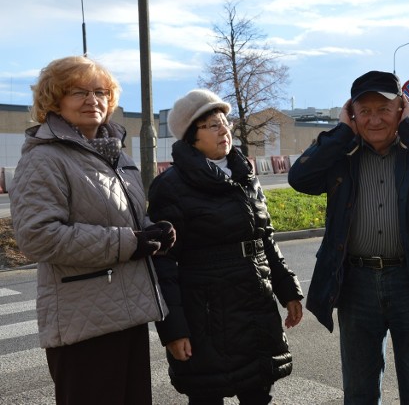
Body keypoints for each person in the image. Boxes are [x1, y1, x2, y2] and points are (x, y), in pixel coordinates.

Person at [288, 70, 409, 404]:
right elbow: (299, 178)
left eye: (384, 109)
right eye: (365, 111)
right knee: (359, 393)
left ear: (401, 109)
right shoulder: (341, 154)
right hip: (356, 285)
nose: (374, 120)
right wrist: (342, 132)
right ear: (352, 113)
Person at [9, 55, 173, 405]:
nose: (92, 100)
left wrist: (151, 233)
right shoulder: (45, 157)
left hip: (128, 311)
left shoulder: (113, 152)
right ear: (54, 100)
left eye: (100, 91)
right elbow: (39, 237)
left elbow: (124, 220)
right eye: (78, 91)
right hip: (82, 321)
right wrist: (130, 242)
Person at [147, 89, 304, 404]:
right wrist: (173, 330)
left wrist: (288, 290)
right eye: (211, 125)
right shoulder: (171, 186)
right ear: (192, 136)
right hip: (205, 314)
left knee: (259, 390)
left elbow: (265, 237)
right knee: (207, 393)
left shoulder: (245, 175)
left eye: (224, 122)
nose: (224, 130)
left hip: (256, 303)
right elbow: (162, 263)